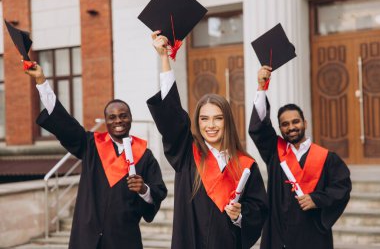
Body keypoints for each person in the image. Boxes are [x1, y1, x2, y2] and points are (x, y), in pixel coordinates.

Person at [25, 63, 168, 249]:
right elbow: (64, 122)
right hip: (87, 237)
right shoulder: (91, 145)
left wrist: (144, 189)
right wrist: (41, 81)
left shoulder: (144, 155)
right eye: (112, 117)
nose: (118, 121)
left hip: (123, 239)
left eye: (123, 116)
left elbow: (157, 192)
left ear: (131, 118)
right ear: (106, 121)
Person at [146, 31, 268, 249]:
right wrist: (164, 58)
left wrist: (240, 215)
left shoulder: (245, 164)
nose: (210, 125)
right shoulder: (186, 153)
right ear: (197, 122)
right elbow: (172, 118)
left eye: (217, 118)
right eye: (204, 119)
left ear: (227, 121)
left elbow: (259, 209)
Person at [249, 66, 352, 249]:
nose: (291, 127)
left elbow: (342, 188)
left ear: (304, 123)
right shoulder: (275, 152)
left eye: (295, 122)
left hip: (312, 236)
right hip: (279, 236)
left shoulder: (327, 158)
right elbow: (259, 128)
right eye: (285, 124)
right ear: (280, 129)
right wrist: (261, 87)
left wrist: (317, 199)